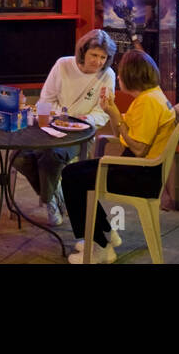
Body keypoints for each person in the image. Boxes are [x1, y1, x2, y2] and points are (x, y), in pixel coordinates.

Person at [61, 49, 177, 264]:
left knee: (72, 178)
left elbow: (139, 149)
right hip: (136, 168)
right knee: (74, 172)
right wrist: (113, 111)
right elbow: (122, 135)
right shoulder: (151, 95)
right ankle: (106, 232)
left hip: (140, 176)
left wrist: (116, 117)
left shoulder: (148, 103)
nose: (119, 76)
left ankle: (99, 246)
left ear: (131, 76)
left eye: (121, 73)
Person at [13, 29, 117, 226]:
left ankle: (49, 201)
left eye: (103, 57)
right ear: (83, 52)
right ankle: (53, 196)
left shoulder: (107, 75)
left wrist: (84, 119)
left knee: (51, 156)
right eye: (94, 55)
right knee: (18, 157)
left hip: (81, 133)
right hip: (51, 126)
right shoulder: (63, 65)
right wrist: (61, 117)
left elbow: (102, 113)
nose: (98, 61)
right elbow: (47, 99)